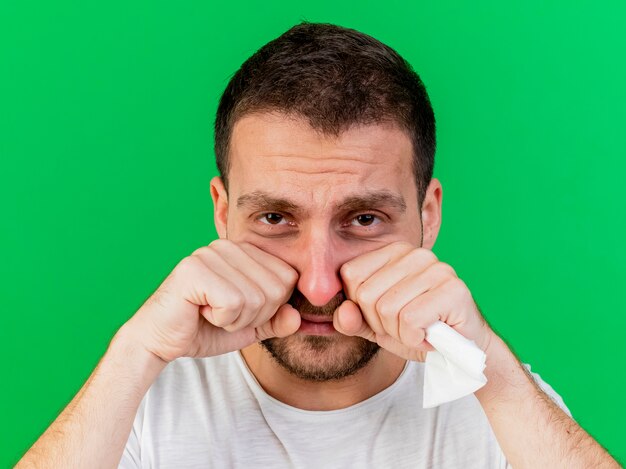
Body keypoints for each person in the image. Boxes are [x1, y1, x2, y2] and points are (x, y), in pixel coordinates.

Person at [17, 22, 619, 469]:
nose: (319, 283)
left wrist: (490, 367)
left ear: (427, 216)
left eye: (362, 219)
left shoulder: (500, 406)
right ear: (223, 213)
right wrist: (136, 350)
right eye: (276, 217)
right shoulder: (140, 403)